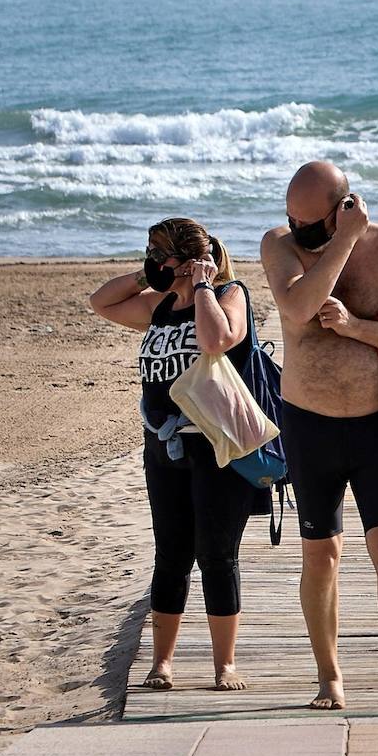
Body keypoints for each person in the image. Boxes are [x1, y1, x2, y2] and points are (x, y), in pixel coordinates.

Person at [261, 161, 378, 710]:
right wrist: (336, 243)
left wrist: (358, 327)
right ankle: (330, 678)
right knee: (322, 553)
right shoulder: (281, 247)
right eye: (293, 220)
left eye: (312, 225)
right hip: (309, 423)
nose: (300, 233)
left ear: (346, 208)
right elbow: (297, 307)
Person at [88, 218, 254, 691]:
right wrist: (147, 276)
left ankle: (225, 665)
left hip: (214, 445)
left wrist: (203, 284)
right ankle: (162, 663)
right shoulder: (157, 305)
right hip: (163, 445)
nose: (154, 262)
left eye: (158, 255)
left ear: (185, 258)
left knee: (217, 554)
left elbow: (216, 340)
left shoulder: (229, 296)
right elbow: (101, 302)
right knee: (171, 553)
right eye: (150, 255)